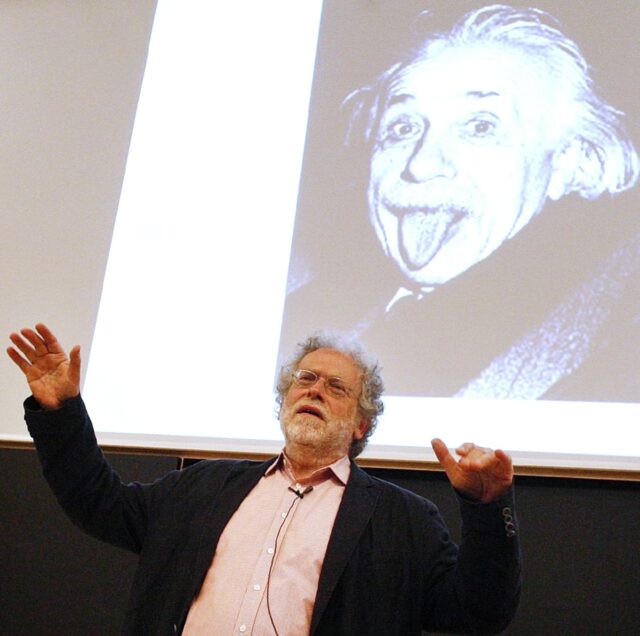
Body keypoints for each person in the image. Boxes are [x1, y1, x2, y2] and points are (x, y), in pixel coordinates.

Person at [8, 323, 520, 635]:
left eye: (336, 387)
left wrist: (486, 507)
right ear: (285, 399)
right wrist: (61, 413)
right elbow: (99, 503)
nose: (315, 389)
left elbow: (477, 612)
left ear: (361, 423)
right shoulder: (202, 487)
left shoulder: (403, 519)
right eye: (305, 378)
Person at [278, 3, 640, 400]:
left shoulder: (609, 334)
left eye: (480, 126)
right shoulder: (299, 291)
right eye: (403, 126)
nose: (420, 164)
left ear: (571, 161)